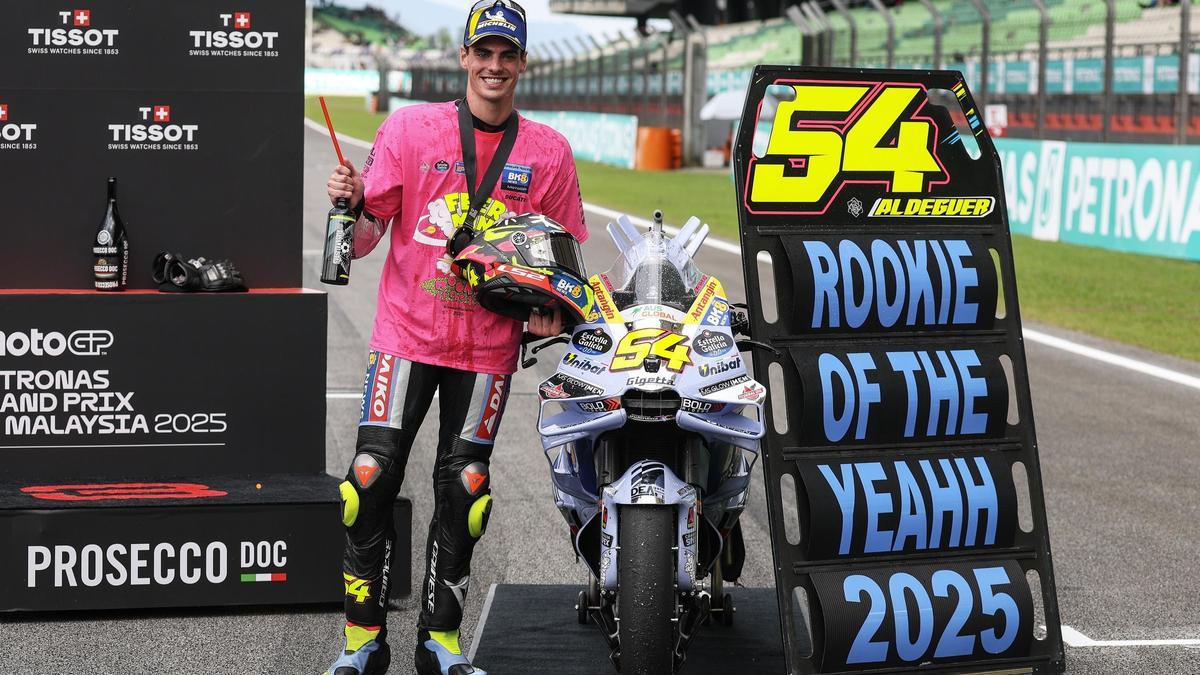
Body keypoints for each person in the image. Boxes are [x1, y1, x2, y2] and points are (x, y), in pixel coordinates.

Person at [321, 2, 588, 673]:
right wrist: (349, 204)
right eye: (484, 52)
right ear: (464, 57)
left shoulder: (549, 152)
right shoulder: (410, 128)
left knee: (465, 492)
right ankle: (360, 643)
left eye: (507, 55)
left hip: (486, 350)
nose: (495, 66)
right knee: (367, 480)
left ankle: (439, 644)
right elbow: (362, 240)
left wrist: (554, 310)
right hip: (405, 338)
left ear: (522, 63)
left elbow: (565, 261)